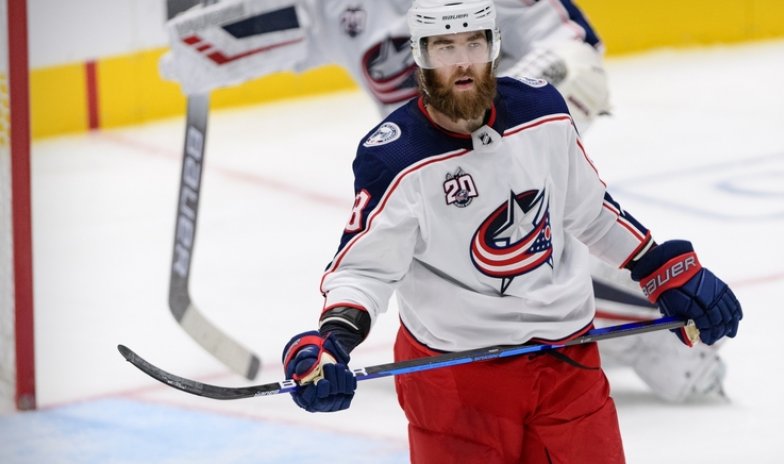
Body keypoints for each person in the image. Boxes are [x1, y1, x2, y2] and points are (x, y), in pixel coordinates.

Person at [161, 0, 728, 403]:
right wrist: (207, 37)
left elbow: (574, 53)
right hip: (427, 194)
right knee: (447, 279)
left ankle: (661, 338)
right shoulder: (342, 7)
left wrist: (506, 121)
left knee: (533, 274)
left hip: (516, 174)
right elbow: (280, 22)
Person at [280, 1, 743, 464]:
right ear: (419, 54)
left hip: (568, 363)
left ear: (494, 46)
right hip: (454, 381)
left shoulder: (543, 112)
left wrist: (656, 266)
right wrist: (332, 342)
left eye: (473, 43)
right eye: (445, 47)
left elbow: (588, 210)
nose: (462, 62)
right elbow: (364, 271)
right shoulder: (395, 156)